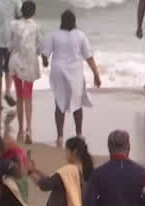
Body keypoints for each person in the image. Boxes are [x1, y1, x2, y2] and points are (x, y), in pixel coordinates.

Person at [41, 10, 102, 146]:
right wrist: (96, 74)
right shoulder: (80, 35)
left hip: (59, 72)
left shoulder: (54, 35)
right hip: (75, 73)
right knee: (77, 104)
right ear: (74, 22)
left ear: (61, 21)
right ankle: (79, 134)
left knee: (60, 104)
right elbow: (88, 56)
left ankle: (60, 136)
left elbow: (45, 53)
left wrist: (44, 61)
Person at [8, 0, 44, 144]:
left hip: (16, 62)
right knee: (28, 95)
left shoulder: (13, 25)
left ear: (21, 11)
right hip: (29, 64)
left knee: (19, 96)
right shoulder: (36, 26)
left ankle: (20, 129)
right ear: (33, 12)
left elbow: (9, 44)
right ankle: (29, 128)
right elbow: (39, 47)